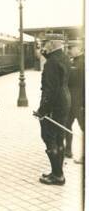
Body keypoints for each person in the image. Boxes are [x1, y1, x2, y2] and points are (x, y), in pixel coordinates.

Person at [34, 36, 71, 185]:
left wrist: (42, 110)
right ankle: (57, 172)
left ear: (51, 44)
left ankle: (57, 175)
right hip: (64, 101)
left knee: (49, 137)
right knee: (59, 137)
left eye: (44, 44)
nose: (43, 46)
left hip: (54, 105)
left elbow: (49, 91)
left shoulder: (51, 64)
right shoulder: (64, 58)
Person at [65, 39, 85, 163]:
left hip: (81, 104)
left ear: (79, 48)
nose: (69, 50)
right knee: (66, 125)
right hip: (71, 102)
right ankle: (68, 150)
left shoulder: (83, 63)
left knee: (84, 129)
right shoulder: (74, 61)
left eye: (71, 47)